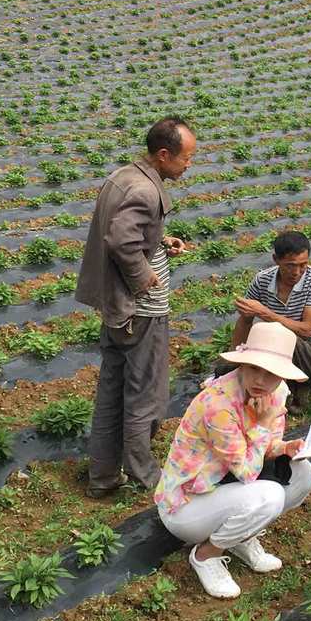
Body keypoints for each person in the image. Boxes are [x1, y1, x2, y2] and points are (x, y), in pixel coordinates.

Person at [76, 117, 196, 499]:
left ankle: (103, 475)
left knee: (112, 389)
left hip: (116, 307)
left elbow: (130, 233)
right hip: (140, 311)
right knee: (145, 393)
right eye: (186, 158)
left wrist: (160, 242)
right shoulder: (145, 191)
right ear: (164, 155)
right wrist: (145, 277)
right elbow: (121, 240)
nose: (189, 164)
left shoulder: (124, 177)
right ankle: (146, 475)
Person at [156, 322, 311, 599]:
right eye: (254, 368)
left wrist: (284, 447)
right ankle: (207, 555)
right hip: (187, 505)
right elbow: (247, 472)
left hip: (224, 486)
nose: (261, 381)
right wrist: (264, 424)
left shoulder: (277, 393)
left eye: (271, 374)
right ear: (242, 364)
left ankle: (241, 536)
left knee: (304, 473)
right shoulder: (218, 405)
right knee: (270, 495)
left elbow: (266, 447)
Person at [226, 230, 311, 407]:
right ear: (276, 259)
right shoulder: (262, 280)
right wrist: (234, 361)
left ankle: (293, 387)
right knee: (250, 349)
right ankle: (286, 388)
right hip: (282, 349)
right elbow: (245, 321)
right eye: (290, 265)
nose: (297, 272)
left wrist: (265, 313)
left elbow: (307, 329)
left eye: (303, 265)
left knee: (274, 334)